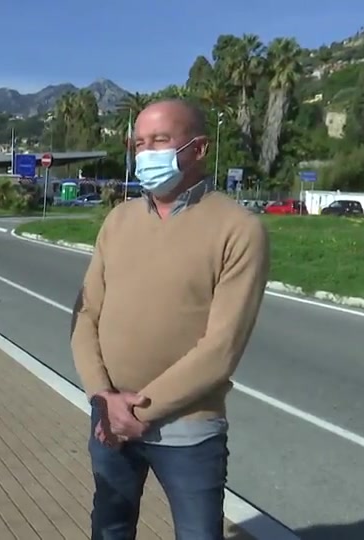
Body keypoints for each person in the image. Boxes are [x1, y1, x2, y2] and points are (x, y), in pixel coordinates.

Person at [71, 100, 270, 540]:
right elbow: (86, 315)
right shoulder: (118, 220)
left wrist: (140, 410)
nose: (146, 154)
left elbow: (221, 350)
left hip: (189, 430)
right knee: (109, 526)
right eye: (139, 143)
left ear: (199, 148)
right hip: (108, 418)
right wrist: (103, 396)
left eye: (160, 141)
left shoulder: (238, 229)